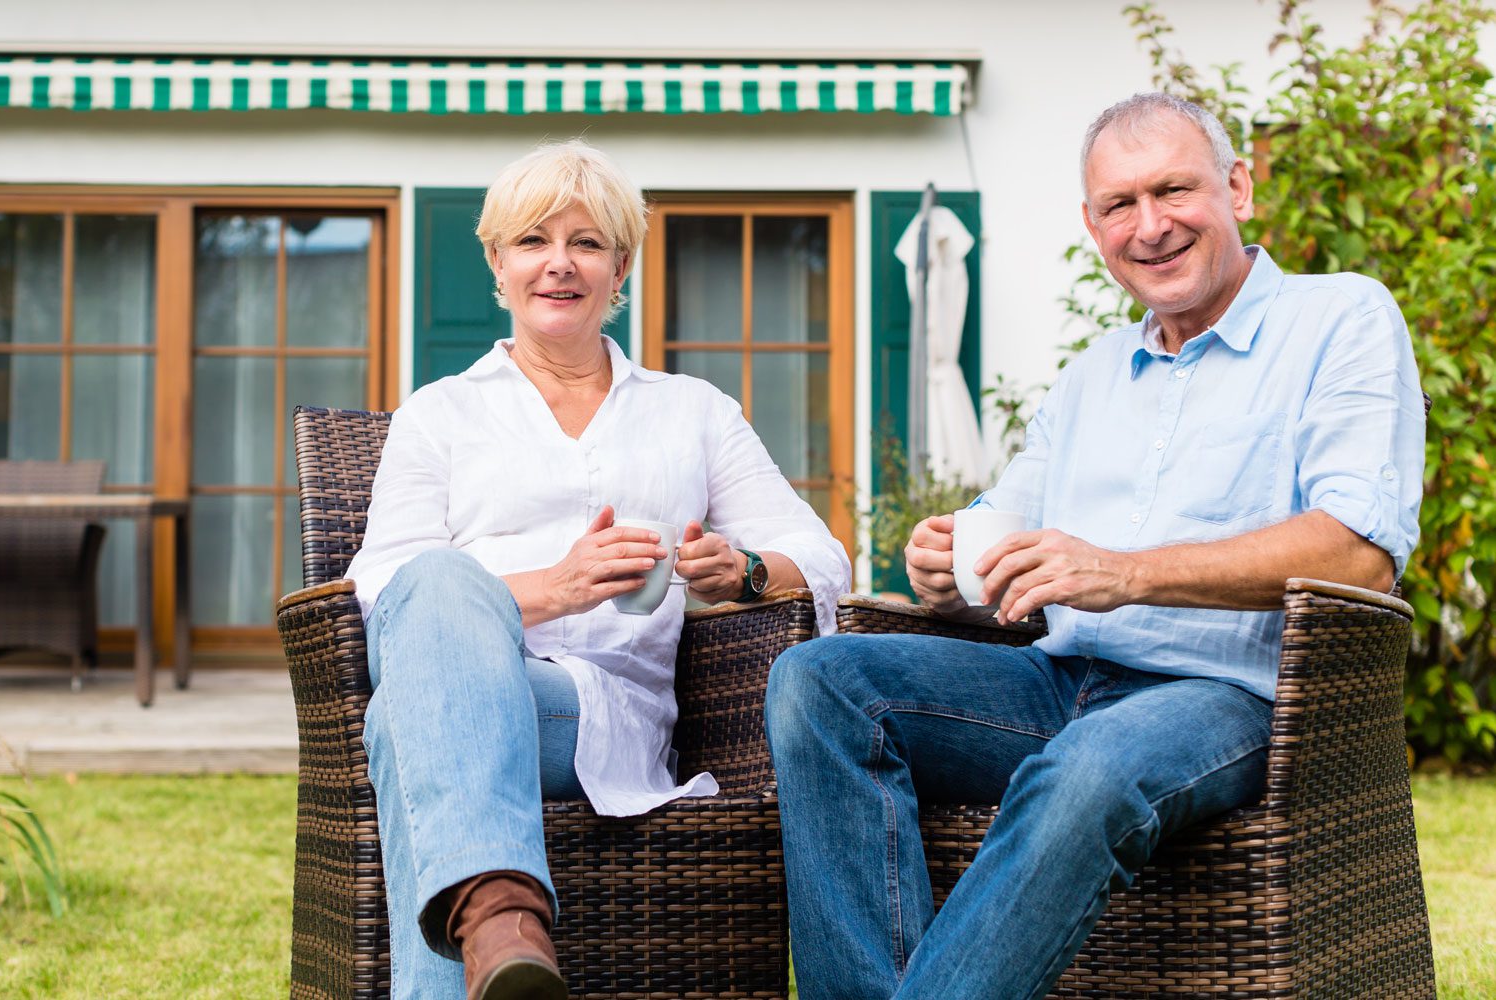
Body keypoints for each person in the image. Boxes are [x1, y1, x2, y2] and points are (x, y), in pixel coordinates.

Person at [766, 92, 1425, 1000]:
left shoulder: (1339, 320)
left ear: (1238, 187)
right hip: (1058, 682)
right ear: (1093, 225)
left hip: (1226, 699)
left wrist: (1126, 573)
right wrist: (949, 566)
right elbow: (1009, 539)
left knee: (1090, 768)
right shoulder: (1092, 377)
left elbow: (1361, 553)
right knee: (821, 681)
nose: (1150, 226)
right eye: (1120, 205)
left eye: (1174, 191)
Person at [345, 139, 851, 1000]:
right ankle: (501, 919)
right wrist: (556, 587)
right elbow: (379, 594)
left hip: (598, 714)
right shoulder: (440, 416)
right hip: (469, 678)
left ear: (621, 267)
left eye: (586, 243)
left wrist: (743, 571)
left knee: (407, 722)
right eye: (534, 241)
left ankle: (498, 914)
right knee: (430, 590)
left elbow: (824, 561)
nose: (559, 265)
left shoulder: (693, 413)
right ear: (497, 262)